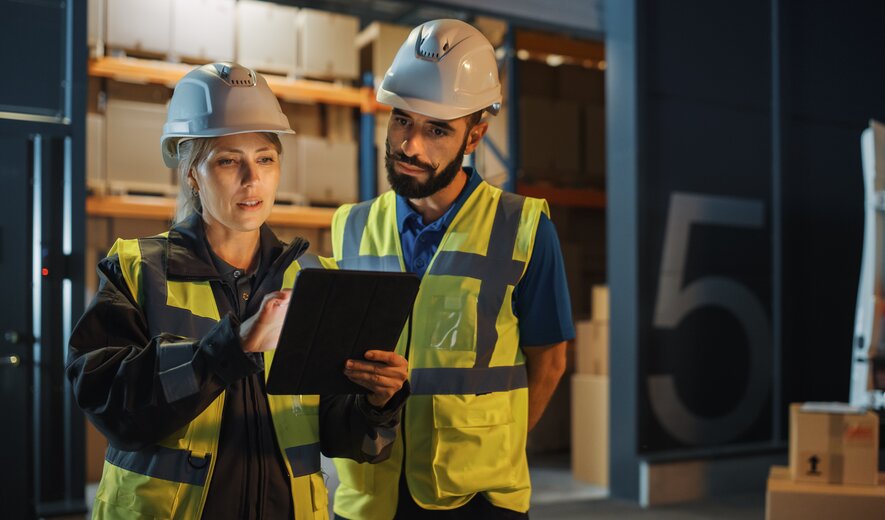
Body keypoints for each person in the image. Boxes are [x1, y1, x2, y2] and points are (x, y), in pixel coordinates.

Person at [66, 62, 409, 520]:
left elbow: (339, 433)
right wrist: (228, 349)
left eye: (265, 158)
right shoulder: (139, 270)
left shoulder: (309, 279)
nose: (253, 180)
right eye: (228, 160)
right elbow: (108, 402)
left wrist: (377, 404)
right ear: (191, 172)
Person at [331, 19, 574, 520]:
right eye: (402, 121)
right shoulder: (350, 227)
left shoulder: (523, 228)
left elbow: (549, 361)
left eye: (436, 129)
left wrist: (496, 448)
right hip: (368, 494)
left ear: (475, 135)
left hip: (476, 500)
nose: (410, 146)